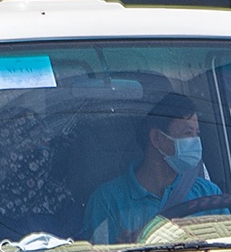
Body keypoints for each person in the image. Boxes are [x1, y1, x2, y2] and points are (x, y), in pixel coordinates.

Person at [81, 92, 221, 244]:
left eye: (196, 134)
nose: (195, 142)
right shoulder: (107, 200)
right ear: (156, 138)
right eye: (188, 133)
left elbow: (227, 248)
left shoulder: (209, 194)